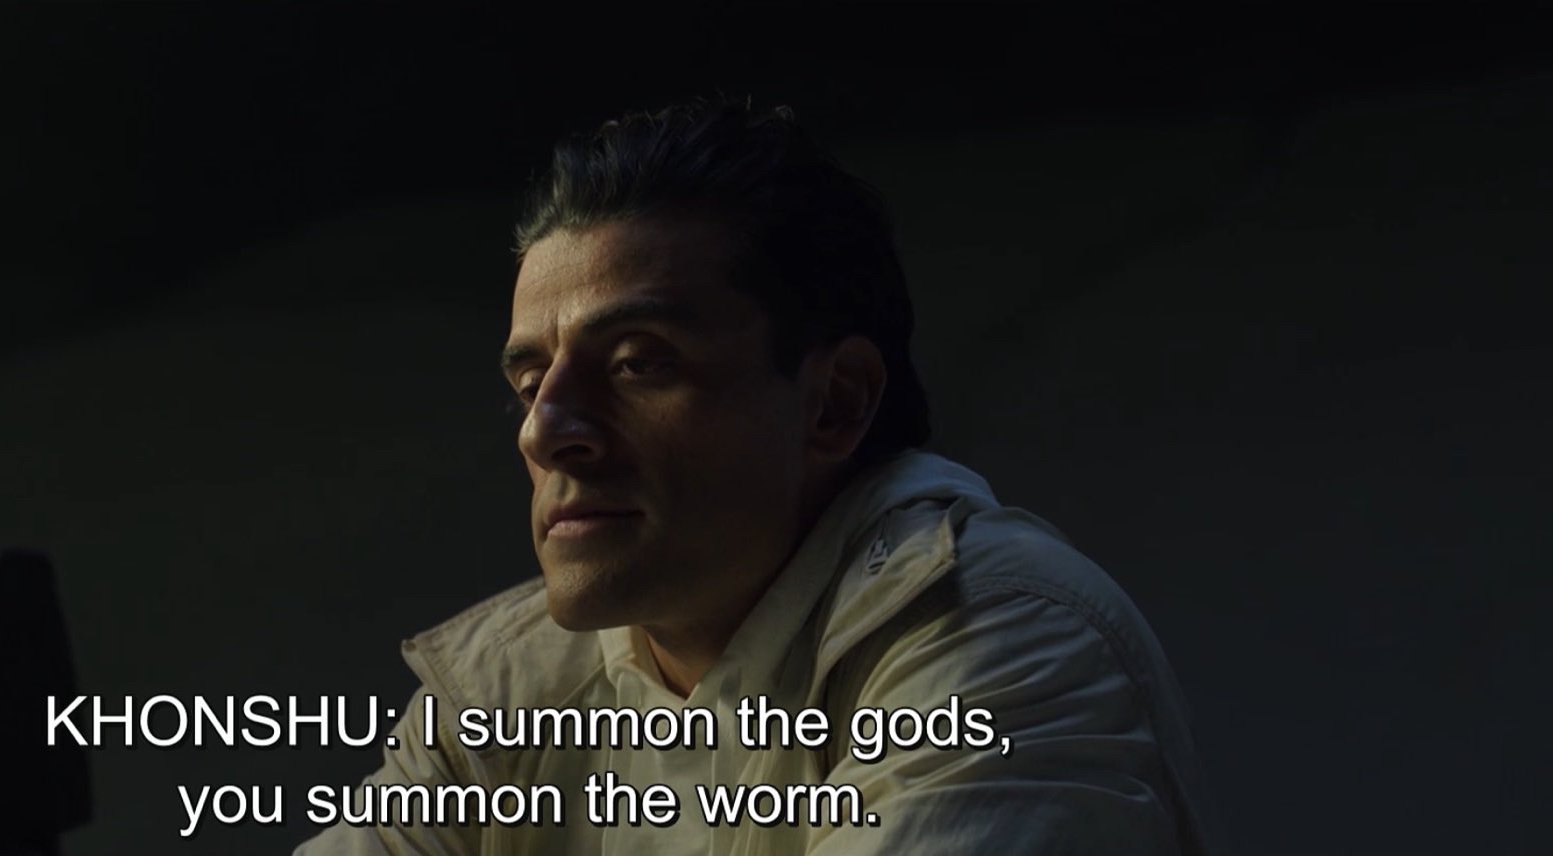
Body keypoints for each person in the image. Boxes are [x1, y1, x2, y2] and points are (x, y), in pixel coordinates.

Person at [294, 95, 1213, 855]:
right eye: (532, 384)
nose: (546, 430)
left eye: (638, 363)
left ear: (834, 402)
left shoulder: (1001, 640)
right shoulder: (502, 689)